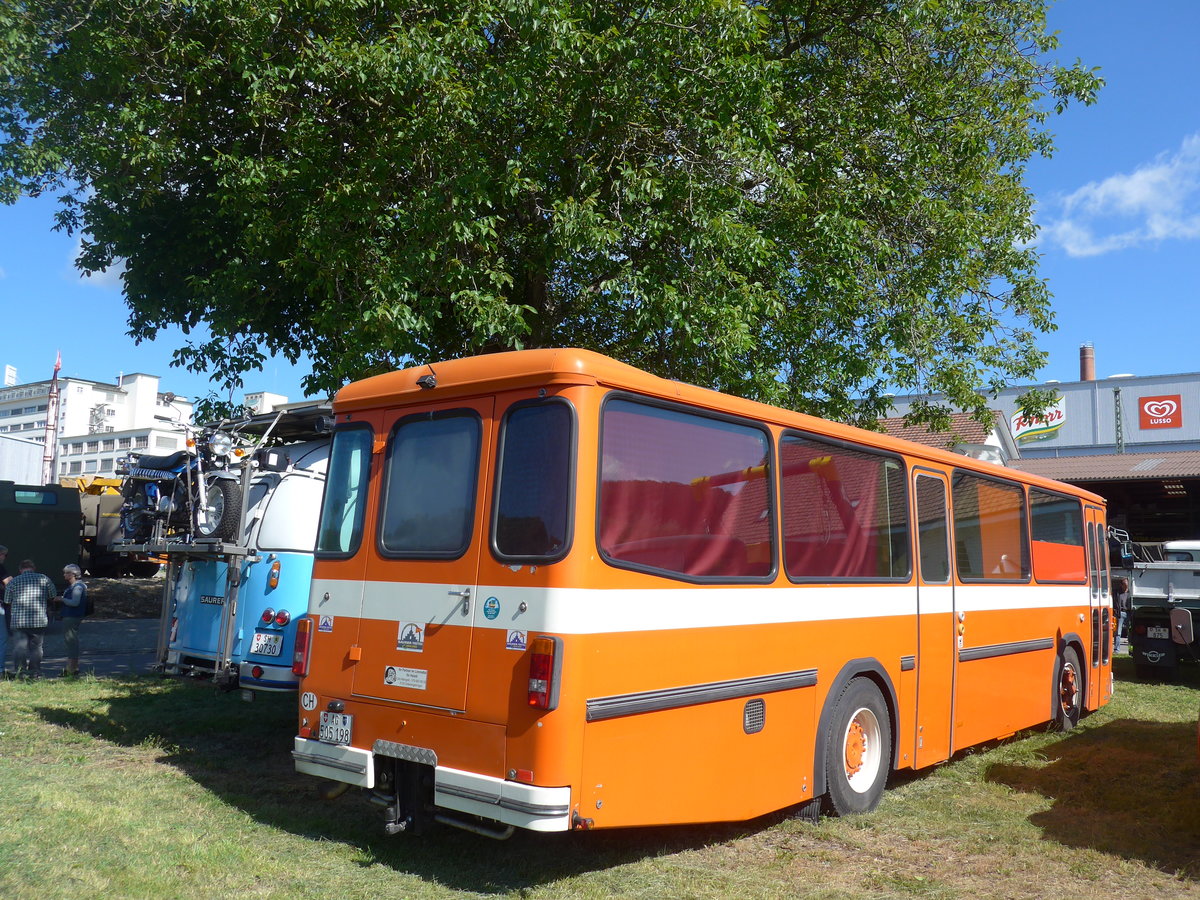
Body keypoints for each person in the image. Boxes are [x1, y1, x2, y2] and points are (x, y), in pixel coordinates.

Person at [3, 559, 56, 678]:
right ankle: (35, 672)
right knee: (36, 648)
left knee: (19, 648)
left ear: (20, 569)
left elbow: (7, 600)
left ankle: (21, 672)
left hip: (18, 621)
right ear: (34, 568)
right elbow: (53, 595)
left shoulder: (14, 582)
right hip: (39, 620)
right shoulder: (44, 579)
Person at [59, 563, 87, 676]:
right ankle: (73, 667)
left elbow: (75, 603)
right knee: (70, 641)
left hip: (72, 616)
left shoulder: (78, 587)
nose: (64, 575)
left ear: (73, 574)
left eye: (66, 573)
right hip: (69, 616)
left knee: (71, 642)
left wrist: (62, 599)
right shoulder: (74, 586)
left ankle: (71, 668)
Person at [0, 545, 12, 676]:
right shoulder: (0, 567)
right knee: (2, 638)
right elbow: (10, 583)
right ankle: (0, 669)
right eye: (5, 555)